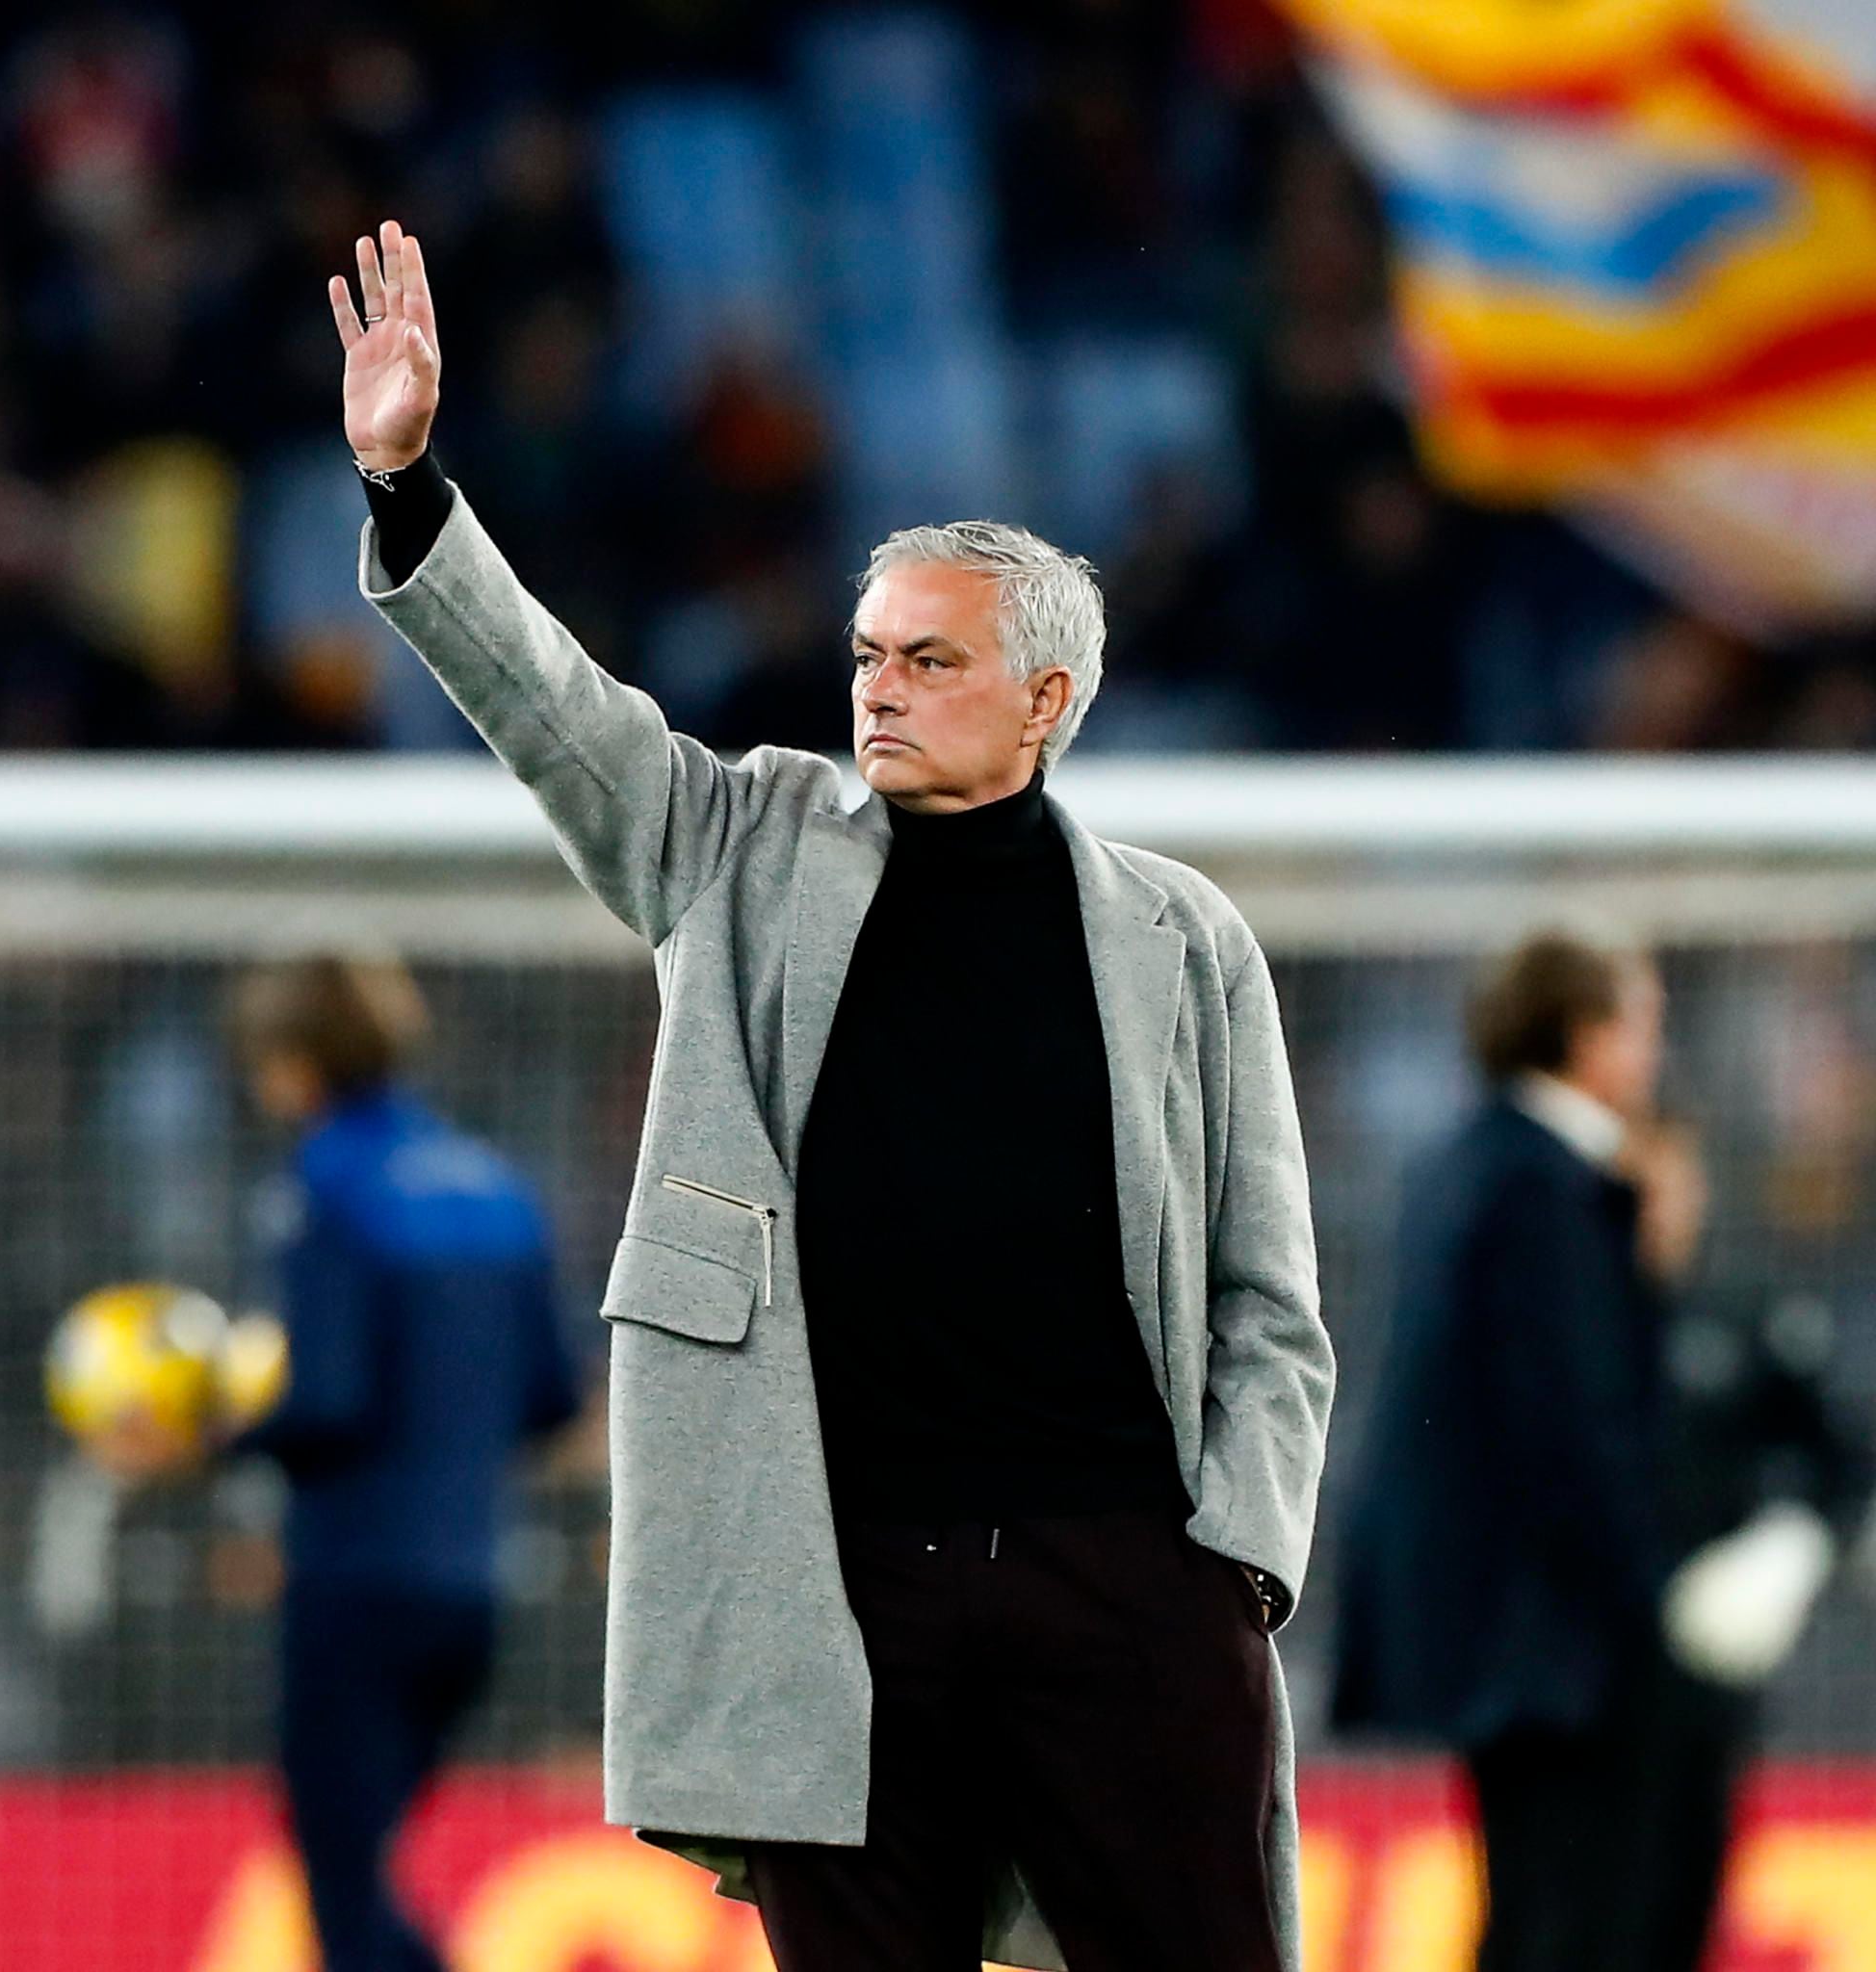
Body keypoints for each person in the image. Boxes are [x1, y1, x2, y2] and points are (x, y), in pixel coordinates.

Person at [326, 221, 1331, 1972]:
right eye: (869, 652)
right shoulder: (742, 844)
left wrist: (1231, 1555)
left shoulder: (1184, 939)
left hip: (1128, 1579)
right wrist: (410, 488)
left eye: (928, 660)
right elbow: (561, 716)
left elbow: (1270, 1304)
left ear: (1048, 696)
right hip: (834, 1576)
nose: (877, 684)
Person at [1331, 931, 1865, 1972]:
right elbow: (1571, 1432)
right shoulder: (1543, 1188)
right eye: (1643, 1022)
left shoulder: (1464, 1167)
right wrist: (1655, 1600)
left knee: (1556, 1905)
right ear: (1588, 1035)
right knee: (1585, 1918)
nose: (1655, 1050)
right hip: (1568, 1649)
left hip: (1515, 1634)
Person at [221, 951, 586, 1972]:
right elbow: (551, 1397)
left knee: (339, 1885)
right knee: (359, 1864)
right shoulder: (497, 1186)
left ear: (292, 1065)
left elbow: (327, 1400)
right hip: (471, 1591)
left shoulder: (326, 1186)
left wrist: (208, 1434)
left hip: (355, 1585)